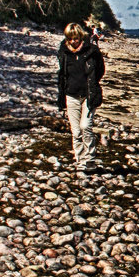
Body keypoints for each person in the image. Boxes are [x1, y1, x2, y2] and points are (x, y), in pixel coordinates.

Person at [56, 22, 106, 173]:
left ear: (81, 37)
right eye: (70, 38)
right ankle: (81, 160)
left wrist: (93, 86)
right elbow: (62, 74)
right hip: (71, 95)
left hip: (88, 95)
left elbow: (100, 71)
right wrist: (61, 95)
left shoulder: (92, 51)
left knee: (86, 126)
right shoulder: (63, 52)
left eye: (76, 38)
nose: (73, 41)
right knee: (76, 131)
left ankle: (90, 158)